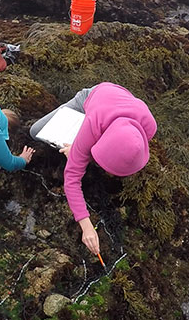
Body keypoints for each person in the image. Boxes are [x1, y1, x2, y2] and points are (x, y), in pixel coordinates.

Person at [30, 82, 156, 256]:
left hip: (115, 100)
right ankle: (73, 136)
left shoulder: (149, 127)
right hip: (91, 98)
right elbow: (72, 179)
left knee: (81, 149)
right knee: (35, 131)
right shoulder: (93, 124)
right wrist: (86, 226)